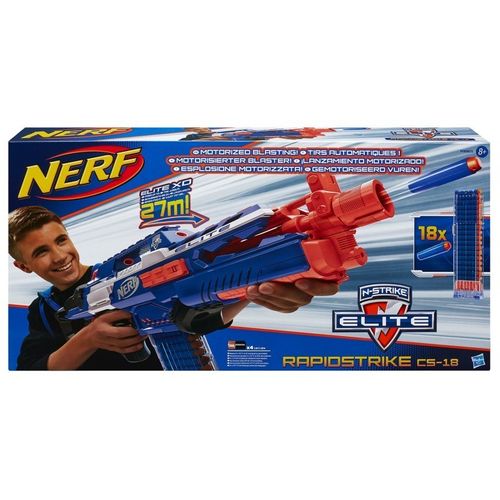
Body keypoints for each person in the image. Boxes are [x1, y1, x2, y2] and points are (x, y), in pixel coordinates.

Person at [9, 206, 339, 370]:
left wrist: (251, 289)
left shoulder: (116, 273)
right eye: (40, 252)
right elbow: (32, 372)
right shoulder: (46, 309)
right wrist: (89, 338)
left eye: (61, 240)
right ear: (23, 267)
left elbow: (193, 316)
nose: (59, 256)